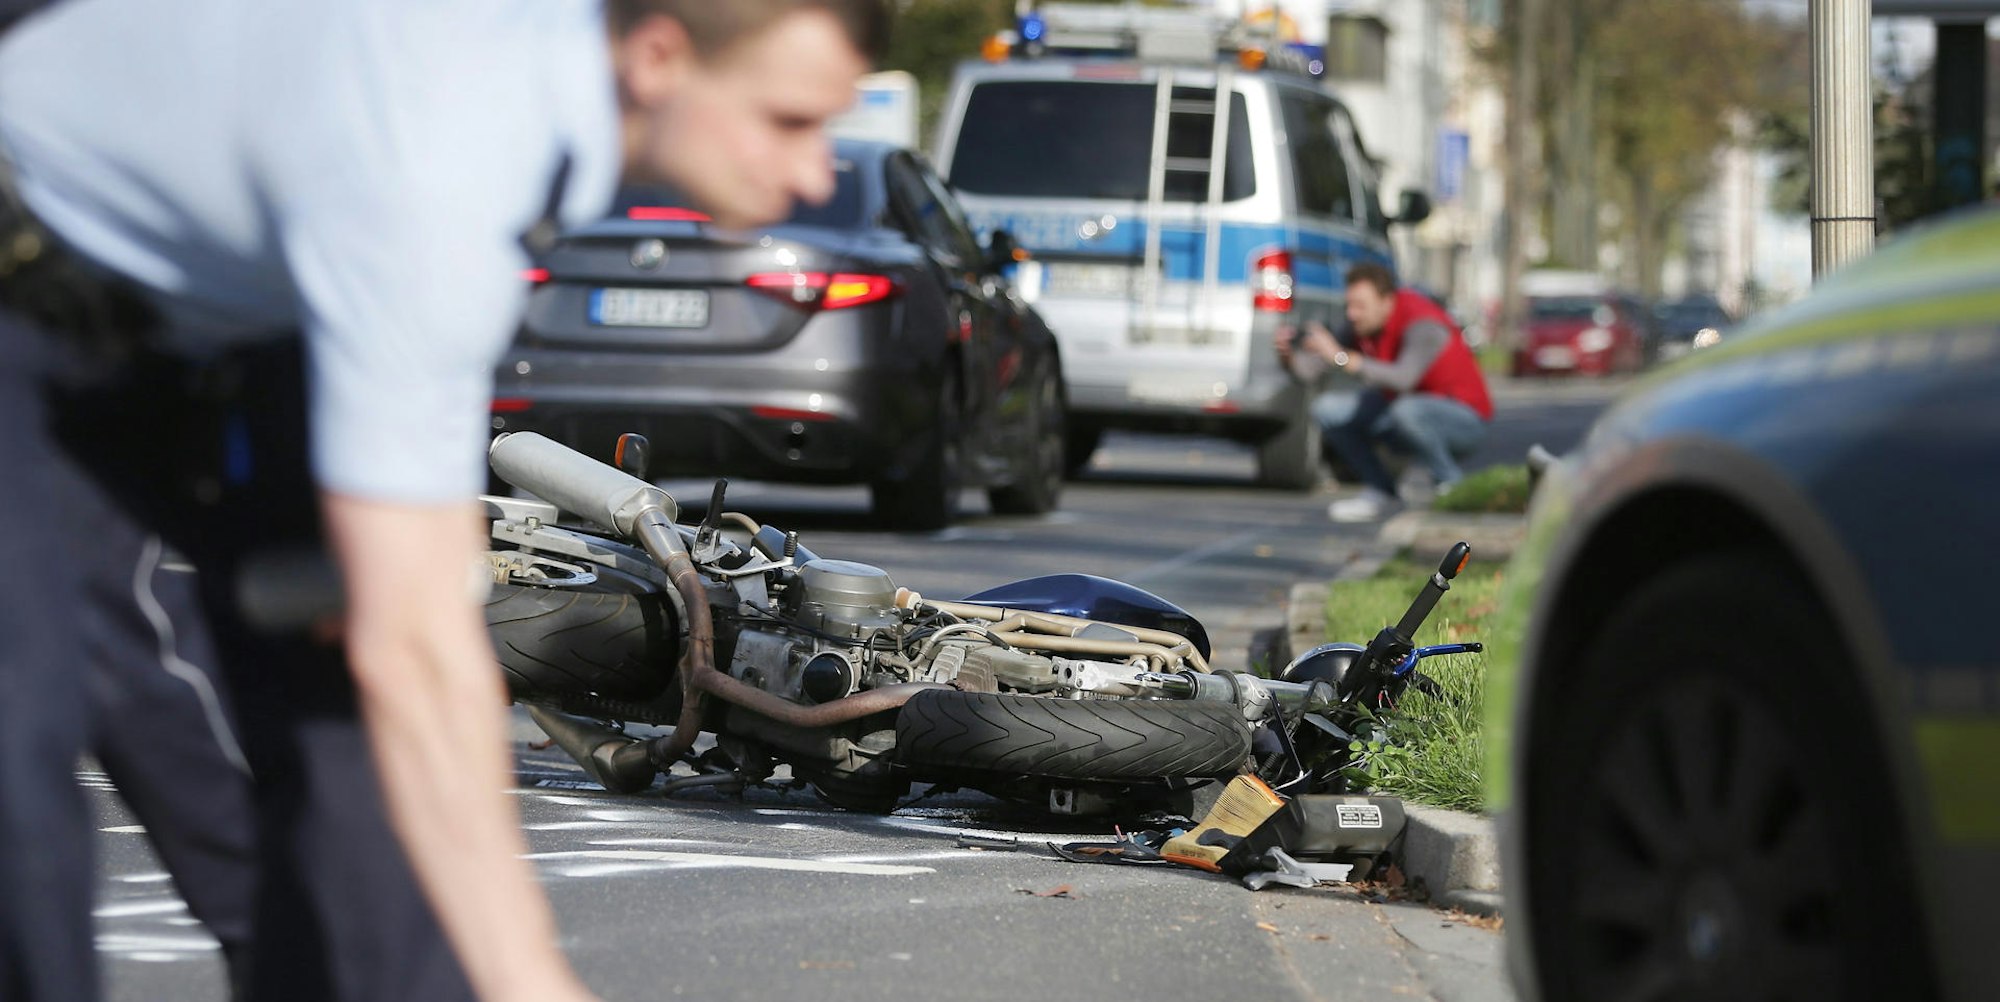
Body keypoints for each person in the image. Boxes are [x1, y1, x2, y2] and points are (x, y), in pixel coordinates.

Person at [0, 1, 884, 1000]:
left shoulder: (520, 102)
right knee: (22, 743)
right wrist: (525, 978)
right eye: (789, 121)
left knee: (347, 752)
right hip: (29, 264)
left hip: (224, 308)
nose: (816, 173)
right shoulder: (440, 168)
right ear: (658, 57)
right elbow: (415, 649)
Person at [1277, 264, 1493, 523]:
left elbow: (1403, 379)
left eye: (1360, 306)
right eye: (1349, 305)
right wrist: (1289, 357)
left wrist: (1340, 356)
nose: (1352, 314)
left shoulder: (1423, 323)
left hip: (1463, 421)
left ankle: (1451, 486)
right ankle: (1381, 491)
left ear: (1386, 301)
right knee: (1327, 409)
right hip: (1403, 416)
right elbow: (1309, 373)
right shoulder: (1362, 325)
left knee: (1406, 409)